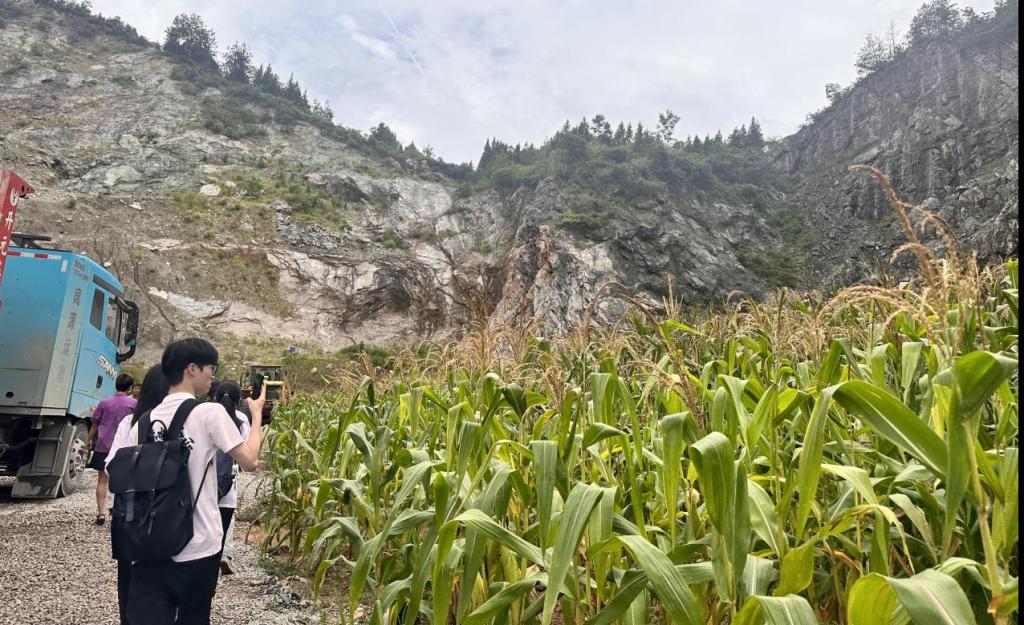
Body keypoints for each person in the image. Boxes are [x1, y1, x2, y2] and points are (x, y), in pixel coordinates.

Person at [107, 338, 265, 625]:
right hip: (198, 545)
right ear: (192, 369)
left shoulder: (142, 422)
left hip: (148, 544)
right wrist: (256, 415)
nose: (212, 376)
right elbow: (250, 461)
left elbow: (120, 476)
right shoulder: (209, 412)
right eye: (211, 368)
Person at [110, 364, 171, 625]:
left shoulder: (130, 422)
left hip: (131, 513)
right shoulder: (175, 424)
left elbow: (111, 466)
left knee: (129, 577)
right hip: (166, 514)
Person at [209, 380, 250, 575]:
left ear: (214, 397)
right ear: (238, 401)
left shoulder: (206, 414)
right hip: (228, 482)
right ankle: (224, 554)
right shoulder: (241, 419)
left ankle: (206, 561)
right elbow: (246, 454)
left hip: (205, 482)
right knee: (226, 522)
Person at [86, 373, 137, 525]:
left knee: (102, 480)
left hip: (104, 446)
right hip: (124, 448)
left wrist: (89, 440)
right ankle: (118, 510)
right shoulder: (134, 404)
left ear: (116, 385)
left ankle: (100, 513)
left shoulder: (104, 403)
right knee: (123, 481)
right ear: (130, 388)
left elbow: (95, 424)